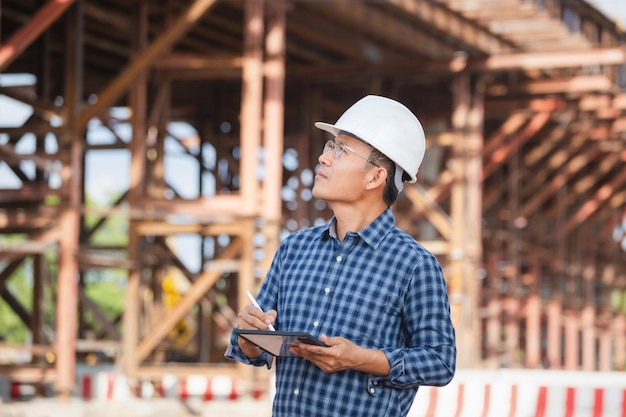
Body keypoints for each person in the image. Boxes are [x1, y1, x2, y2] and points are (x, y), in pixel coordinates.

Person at [225, 95, 456, 417]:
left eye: (340, 150)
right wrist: (250, 335)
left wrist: (360, 358)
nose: (323, 158)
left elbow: (441, 362)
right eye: (330, 146)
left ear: (376, 177)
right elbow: (251, 349)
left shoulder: (414, 265)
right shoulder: (294, 249)